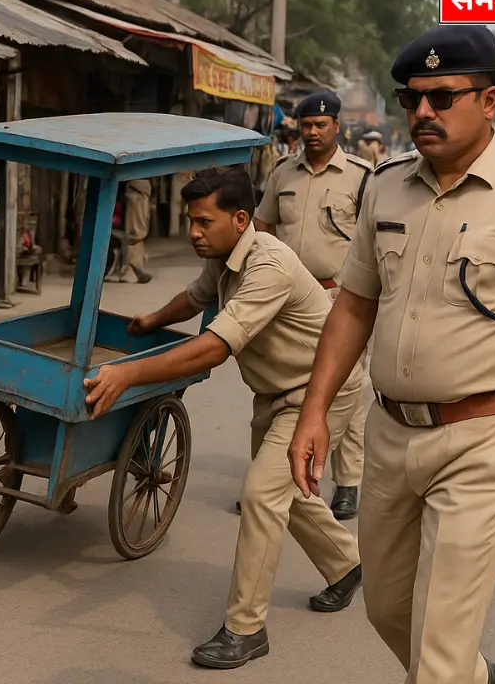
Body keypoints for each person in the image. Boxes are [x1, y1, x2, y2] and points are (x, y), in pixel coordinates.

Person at [289, 26, 495, 684]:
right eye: (410, 99)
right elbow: (353, 304)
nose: (421, 114)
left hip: (483, 439)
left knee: (435, 656)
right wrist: (314, 410)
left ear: (489, 100)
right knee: (385, 608)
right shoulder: (384, 186)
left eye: (441, 98)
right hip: (390, 435)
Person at [84, 165, 364, 670]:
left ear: (240, 219)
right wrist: (150, 321)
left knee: (262, 493)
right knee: (284, 491)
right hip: (275, 394)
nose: (193, 232)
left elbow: (212, 349)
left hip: (320, 395)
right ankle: (346, 565)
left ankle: (245, 628)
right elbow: (193, 298)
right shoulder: (224, 256)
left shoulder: (268, 265)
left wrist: (128, 375)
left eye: (202, 222)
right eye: (191, 220)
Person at [254, 90, 372, 520]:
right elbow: (262, 227)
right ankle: (268, 477)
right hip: (285, 302)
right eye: (306, 125)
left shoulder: (361, 176)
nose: (313, 132)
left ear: (337, 127)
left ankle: (348, 482)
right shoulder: (282, 172)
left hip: (342, 298)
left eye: (322, 125)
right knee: (277, 381)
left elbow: (374, 240)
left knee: (347, 387)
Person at [122, 179, 155, 283]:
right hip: (137, 182)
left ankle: (134, 267)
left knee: (139, 227)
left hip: (141, 184)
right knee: (136, 229)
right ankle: (132, 268)